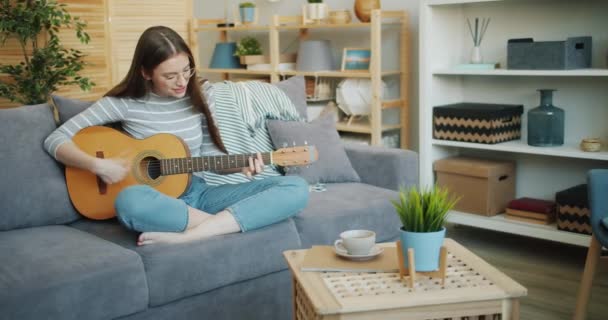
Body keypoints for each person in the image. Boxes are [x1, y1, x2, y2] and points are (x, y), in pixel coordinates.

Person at [43, 26, 309, 246]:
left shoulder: (201, 95)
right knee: (128, 202)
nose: (182, 81)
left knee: (296, 189)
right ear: (146, 73)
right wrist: (97, 165)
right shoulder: (123, 103)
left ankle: (196, 233)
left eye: (186, 70)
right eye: (170, 76)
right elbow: (55, 139)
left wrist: (241, 166)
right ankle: (228, 223)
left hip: (199, 192)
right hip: (155, 200)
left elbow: (210, 156)